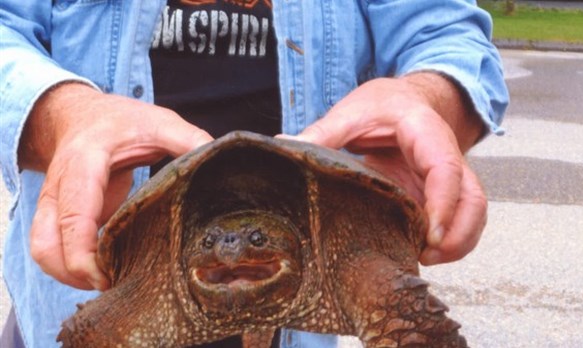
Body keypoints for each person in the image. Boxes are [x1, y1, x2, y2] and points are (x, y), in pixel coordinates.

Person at [0, 0, 508, 347]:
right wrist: (60, 116)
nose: (232, 254)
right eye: (219, 245)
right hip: (128, 264)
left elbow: (445, 34)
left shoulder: (347, 268)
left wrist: (428, 97)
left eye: (255, 240)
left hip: (319, 230)